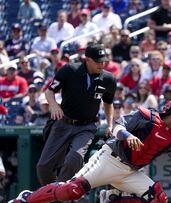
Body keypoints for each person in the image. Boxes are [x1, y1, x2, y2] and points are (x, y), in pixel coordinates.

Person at [11, 98, 171, 203]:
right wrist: (127, 136)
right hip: (110, 159)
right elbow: (116, 126)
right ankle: (26, 198)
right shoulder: (147, 117)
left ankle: (112, 198)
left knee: (159, 198)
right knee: (71, 191)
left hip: (130, 171)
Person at [36, 43, 116, 186]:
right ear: (87, 60)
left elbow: (108, 103)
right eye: (98, 61)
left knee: (74, 158)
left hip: (86, 126)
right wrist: (54, 106)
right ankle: (53, 195)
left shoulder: (109, 79)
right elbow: (49, 91)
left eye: (104, 60)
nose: (102, 64)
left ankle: (60, 194)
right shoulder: (70, 69)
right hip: (63, 123)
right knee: (43, 167)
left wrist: (110, 124)